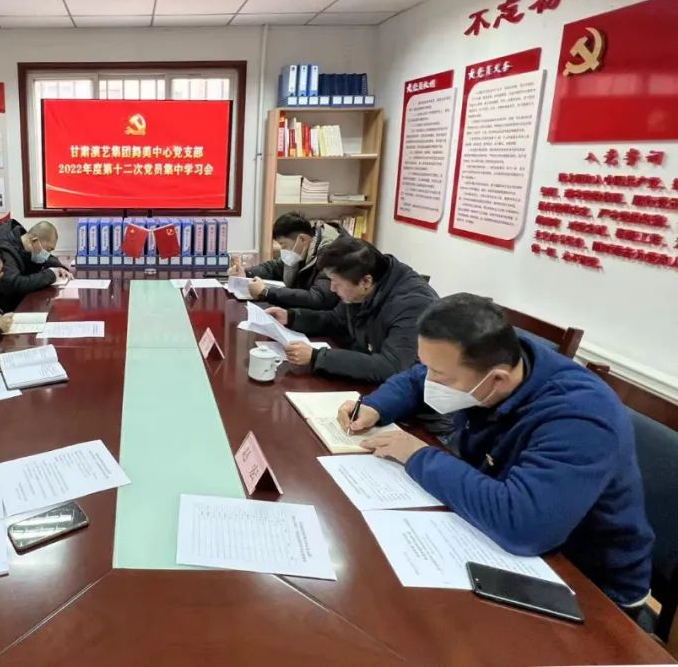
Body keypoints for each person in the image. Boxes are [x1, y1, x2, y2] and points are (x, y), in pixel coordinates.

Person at [339, 293, 654, 613]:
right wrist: (376, 407)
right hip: (501, 528)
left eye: (439, 375)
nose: (428, 380)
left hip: (590, 588)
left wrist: (418, 455)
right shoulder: (492, 360)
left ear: (498, 380)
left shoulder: (581, 417)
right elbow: (416, 379)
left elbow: (524, 526)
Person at [266, 236, 438, 384]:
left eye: (337, 283)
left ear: (366, 282)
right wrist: (292, 317)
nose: (332, 289)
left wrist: (317, 357)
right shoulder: (365, 285)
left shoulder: (413, 305)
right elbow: (336, 320)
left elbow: (391, 367)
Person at [229, 212, 344, 309]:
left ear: (302, 239)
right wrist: (246, 273)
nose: (282, 250)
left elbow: (318, 298)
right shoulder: (303, 250)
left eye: (283, 245)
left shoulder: (331, 256)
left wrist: (267, 292)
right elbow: (274, 267)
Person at [0, 218, 70, 313]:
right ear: (34, 241)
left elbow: (48, 258)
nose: (47, 254)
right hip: (2, 309)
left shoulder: (23, 242)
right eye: (48, 249)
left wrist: (59, 267)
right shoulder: (4, 250)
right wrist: (51, 274)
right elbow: (13, 284)